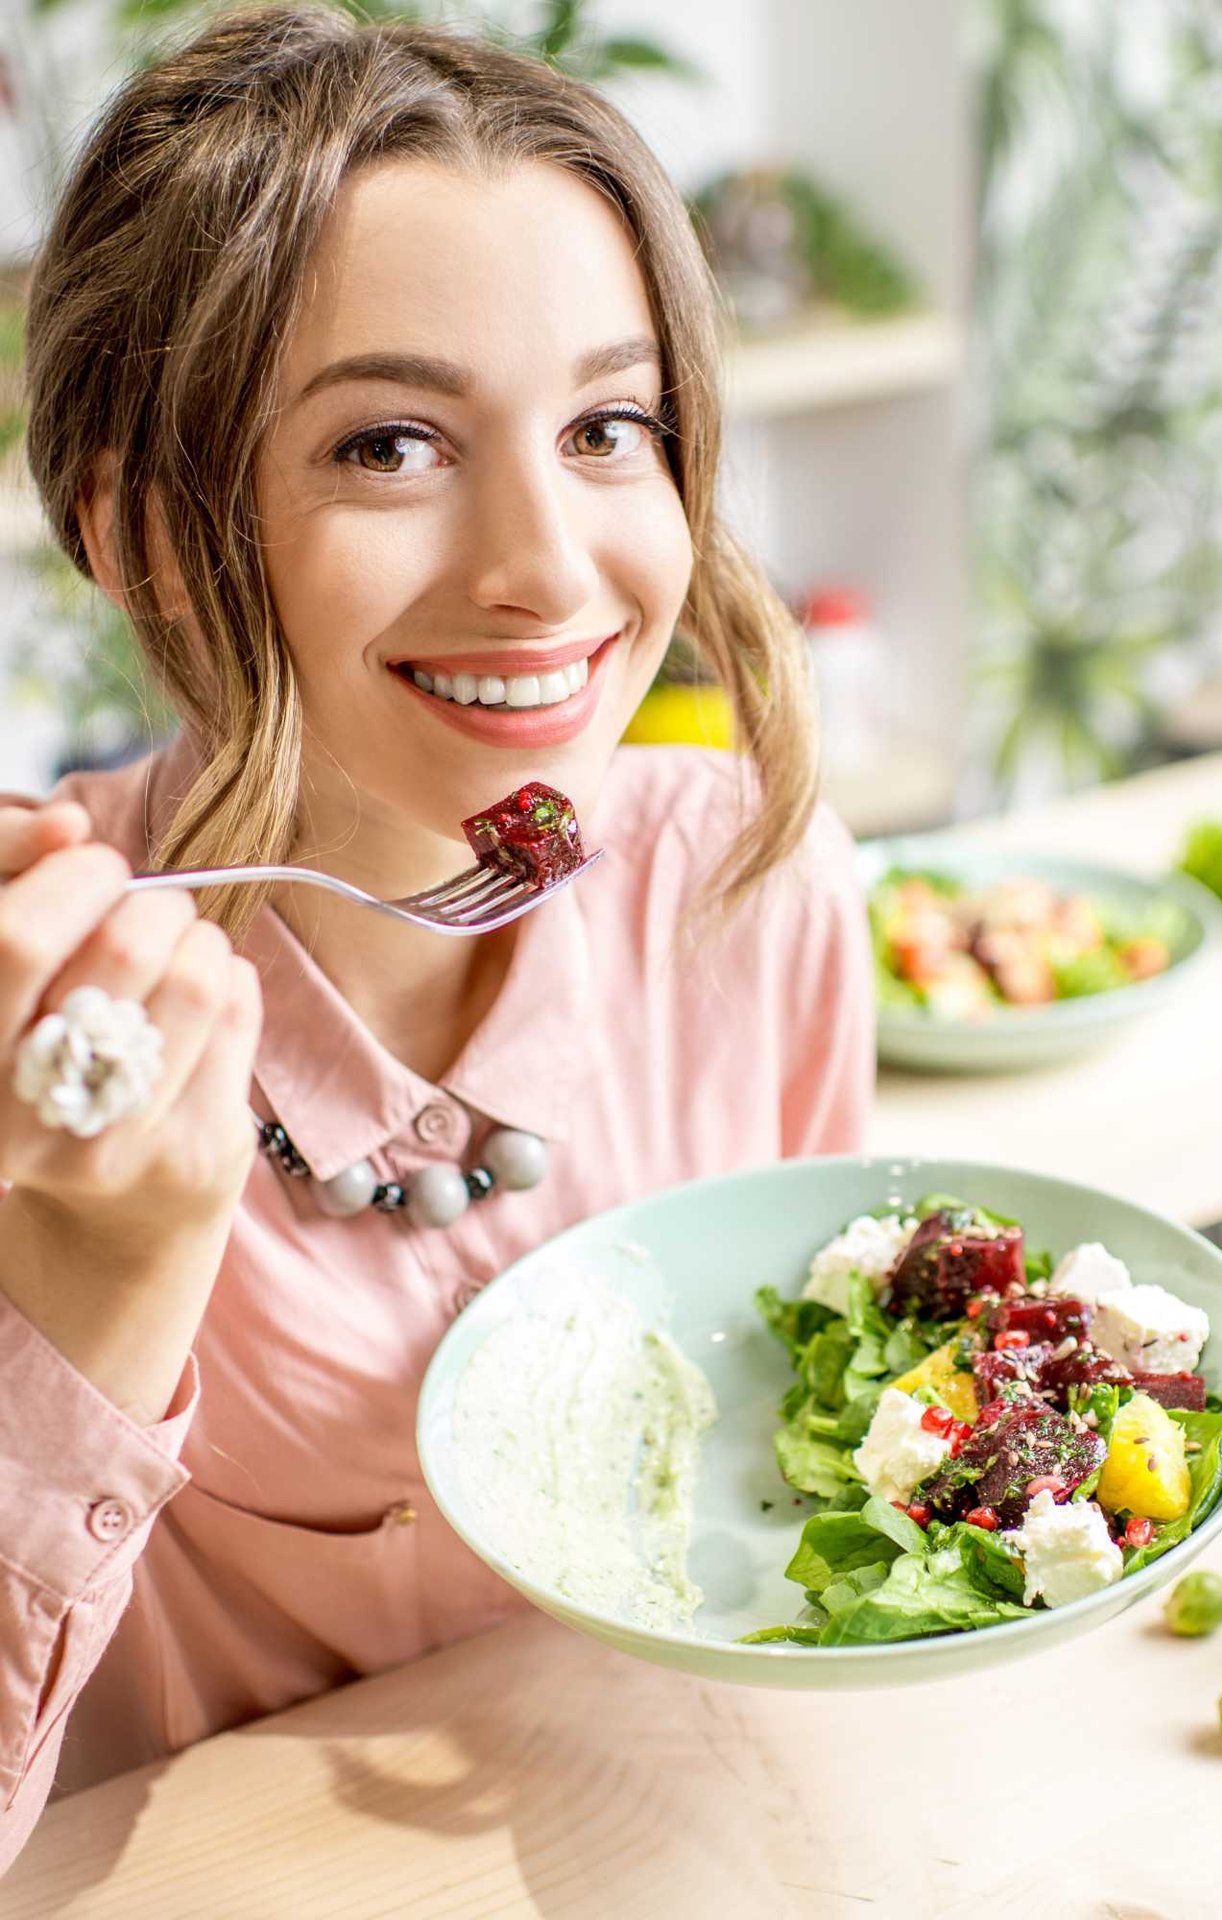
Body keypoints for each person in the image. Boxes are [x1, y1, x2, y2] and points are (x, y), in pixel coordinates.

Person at [0, 4, 874, 1868]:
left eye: (607, 427)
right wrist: (103, 1273)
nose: (548, 564)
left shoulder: (748, 888)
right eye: (391, 444)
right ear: (152, 531)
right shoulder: (47, 1030)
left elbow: (814, 1487)